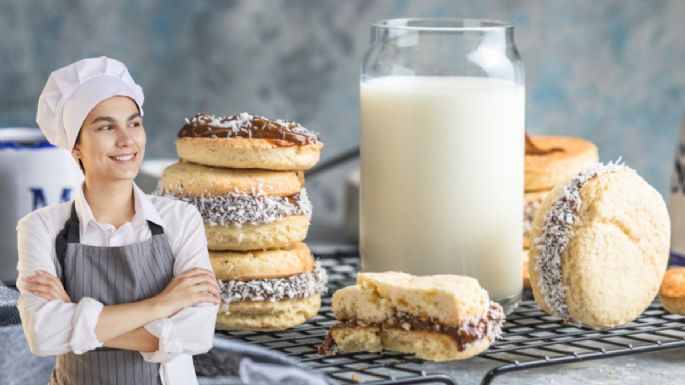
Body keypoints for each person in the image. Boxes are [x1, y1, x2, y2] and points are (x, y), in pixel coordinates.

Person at [16, 56, 220, 385]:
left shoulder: (180, 219)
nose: (127, 140)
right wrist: (163, 304)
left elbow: (197, 334)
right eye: (107, 127)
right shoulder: (40, 227)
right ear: (76, 147)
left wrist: (73, 316)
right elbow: (42, 335)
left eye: (134, 123)